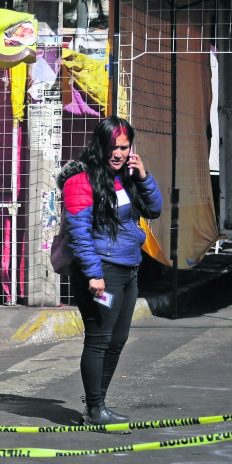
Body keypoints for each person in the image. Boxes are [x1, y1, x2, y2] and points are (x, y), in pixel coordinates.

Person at [57, 116, 162, 425]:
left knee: (118, 340)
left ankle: (96, 404)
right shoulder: (81, 181)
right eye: (113, 147)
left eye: (124, 147)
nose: (118, 153)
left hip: (128, 270)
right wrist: (93, 274)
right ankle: (95, 407)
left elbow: (153, 209)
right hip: (102, 274)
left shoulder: (125, 177)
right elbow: (79, 232)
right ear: (100, 145)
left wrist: (143, 176)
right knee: (99, 338)